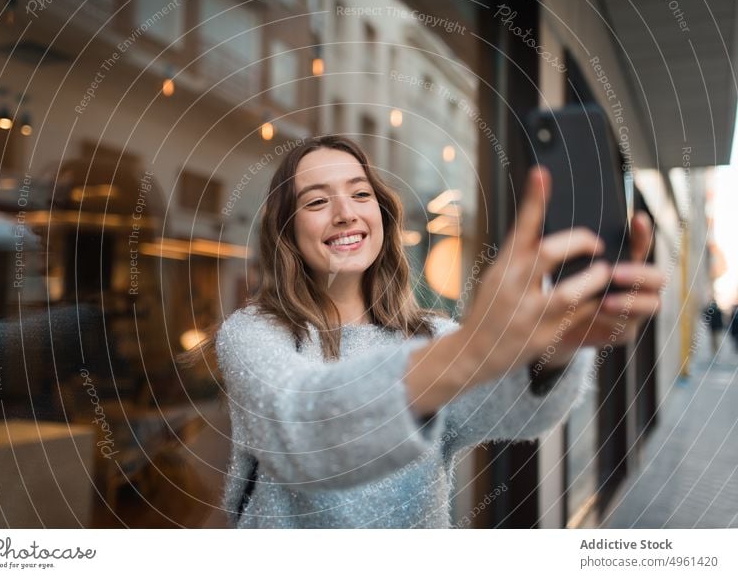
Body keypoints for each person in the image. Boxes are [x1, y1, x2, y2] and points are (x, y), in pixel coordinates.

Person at [209, 135, 663, 528]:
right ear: (286, 231)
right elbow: (299, 428)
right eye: (316, 201)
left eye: (360, 193)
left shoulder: (433, 336)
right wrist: (471, 350)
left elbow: (516, 411)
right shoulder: (252, 334)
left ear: (382, 214)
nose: (345, 213)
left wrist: (558, 345)